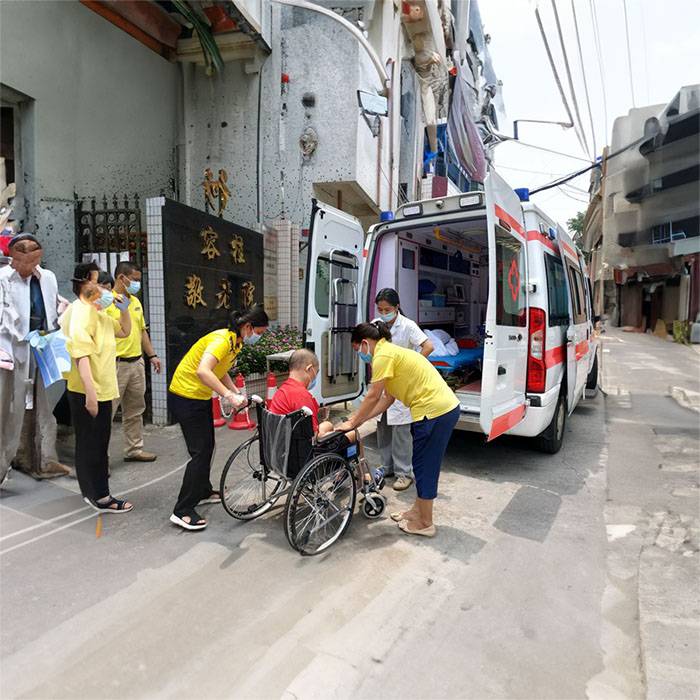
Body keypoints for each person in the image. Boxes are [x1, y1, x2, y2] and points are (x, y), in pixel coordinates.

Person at [336, 322, 460, 537]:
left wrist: (352, 422)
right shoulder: (390, 351)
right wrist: (360, 420)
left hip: (434, 412)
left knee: (424, 467)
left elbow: (373, 395)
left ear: (364, 343)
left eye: (358, 350)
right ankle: (416, 512)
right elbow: (386, 400)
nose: (360, 355)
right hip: (438, 409)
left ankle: (425, 523)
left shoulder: (383, 356)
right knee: (422, 463)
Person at [168, 306, 269, 531]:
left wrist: (235, 392)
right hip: (185, 396)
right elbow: (203, 371)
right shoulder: (222, 340)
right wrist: (227, 396)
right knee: (200, 451)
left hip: (198, 397)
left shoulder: (236, 342)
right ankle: (182, 510)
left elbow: (220, 370)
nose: (258, 338)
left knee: (208, 446)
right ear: (248, 327)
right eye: (259, 333)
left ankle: (202, 490)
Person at [59, 262, 134, 512]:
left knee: (93, 442)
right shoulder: (80, 311)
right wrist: (91, 396)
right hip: (88, 390)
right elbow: (81, 355)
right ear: (85, 283)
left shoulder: (97, 313)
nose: (104, 290)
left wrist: (124, 311)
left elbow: (124, 331)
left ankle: (89, 492)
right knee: (94, 444)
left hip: (100, 388)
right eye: (98, 283)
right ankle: (101, 496)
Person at [0, 233, 71, 485]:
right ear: (12, 258)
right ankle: (1, 467)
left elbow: (54, 306)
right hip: (10, 351)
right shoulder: (3, 279)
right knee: (7, 410)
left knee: (43, 406)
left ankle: (43, 461)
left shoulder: (47, 277)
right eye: (24, 263)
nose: (30, 268)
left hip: (43, 346)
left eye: (35, 262)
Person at [373, 288, 433, 492]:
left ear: (397, 307)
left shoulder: (408, 326)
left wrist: (412, 367)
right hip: (383, 382)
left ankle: (404, 473)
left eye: (387, 309)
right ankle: (386, 467)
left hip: (400, 385)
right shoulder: (375, 325)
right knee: (383, 428)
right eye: (380, 309)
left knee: (401, 432)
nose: (383, 313)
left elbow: (428, 346)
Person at [105, 261, 161, 462]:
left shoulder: (135, 302)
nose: (137, 284)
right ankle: (101, 458)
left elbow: (142, 331)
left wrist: (152, 355)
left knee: (135, 410)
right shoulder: (107, 302)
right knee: (107, 414)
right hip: (114, 364)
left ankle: (134, 449)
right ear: (122, 278)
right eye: (135, 280)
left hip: (136, 363)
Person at [269, 348, 359, 454]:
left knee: (328, 425)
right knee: (353, 433)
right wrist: (336, 432)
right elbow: (315, 438)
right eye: (316, 372)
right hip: (302, 454)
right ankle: (363, 469)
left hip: (283, 447)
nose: (315, 376)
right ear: (309, 369)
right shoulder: (302, 396)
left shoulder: (282, 390)